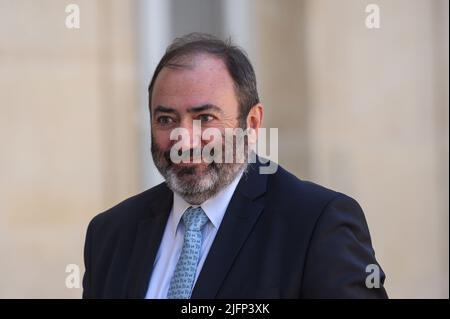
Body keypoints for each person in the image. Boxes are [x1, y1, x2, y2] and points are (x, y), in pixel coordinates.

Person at [82, 33, 387, 299]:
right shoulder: (110, 234)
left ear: (252, 123)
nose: (184, 141)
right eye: (165, 119)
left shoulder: (316, 224)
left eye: (205, 118)